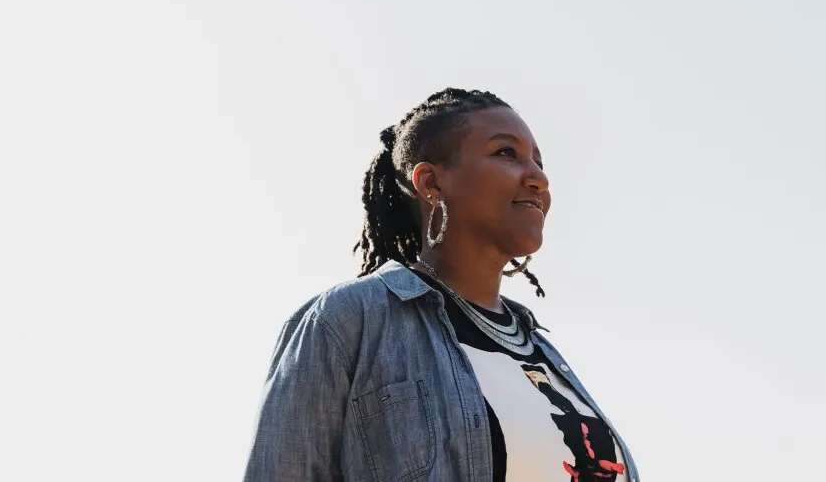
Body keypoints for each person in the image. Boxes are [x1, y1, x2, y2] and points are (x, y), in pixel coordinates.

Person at [242, 88, 639, 482]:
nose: (538, 178)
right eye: (506, 153)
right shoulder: (348, 321)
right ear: (431, 182)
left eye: (539, 161)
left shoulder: (545, 355)